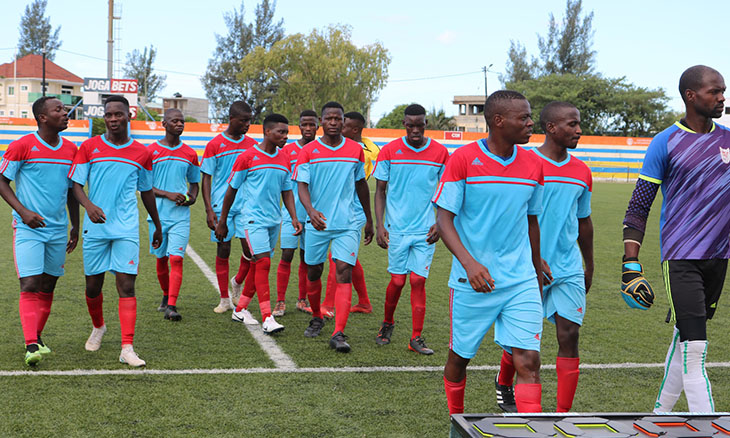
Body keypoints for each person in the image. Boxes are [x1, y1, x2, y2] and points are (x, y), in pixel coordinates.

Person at [622, 65, 729, 413]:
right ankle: (709, 428)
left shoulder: (728, 139)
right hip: (682, 258)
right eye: (715, 91)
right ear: (691, 95)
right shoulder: (664, 142)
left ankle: (658, 415)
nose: (722, 97)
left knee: (684, 338)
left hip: (719, 258)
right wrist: (630, 264)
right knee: (696, 350)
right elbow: (639, 206)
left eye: (723, 90)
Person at [435, 90, 544, 414]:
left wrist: (536, 273)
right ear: (499, 121)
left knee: (529, 361)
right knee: (459, 358)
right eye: (523, 117)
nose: (530, 122)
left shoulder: (534, 164)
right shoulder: (463, 159)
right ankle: (456, 420)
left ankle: (530, 433)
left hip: (520, 280)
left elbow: (532, 222)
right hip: (473, 282)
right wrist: (469, 265)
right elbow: (443, 219)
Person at [496, 101, 593, 413]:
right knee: (523, 338)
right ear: (551, 128)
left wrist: (589, 263)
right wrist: (533, 259)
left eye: (579, 124)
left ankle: (563, 415)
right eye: (571, 124)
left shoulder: (582, 172)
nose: (578, 130)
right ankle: (504, 381)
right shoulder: (522, 161)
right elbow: (509, 215)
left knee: (569, 334)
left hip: (567, 267)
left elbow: (584, 221)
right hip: (525, 266)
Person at [69, 95, 163, 367]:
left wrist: (157, 224)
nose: (112, 119)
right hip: (96, 228)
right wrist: (88, 206)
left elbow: (146, 191)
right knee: (92, 285)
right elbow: (76, 185)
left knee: (126, 285)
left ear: (128, 115)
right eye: (108, 115)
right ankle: (98, 327)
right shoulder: (89, 147)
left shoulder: (142, 153)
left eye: (118, 114)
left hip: (126, 228)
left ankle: (127, 347)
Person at [0, 96, 79, 366]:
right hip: (27, 228)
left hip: (57, 230)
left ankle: (38, 337)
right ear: (43, 117)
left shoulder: (71, 149)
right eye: (58, 109)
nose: (65, 112)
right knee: (30, 284)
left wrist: (75, 225)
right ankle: (31, 344)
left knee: (49, 284)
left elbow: (71, 191)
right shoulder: (22, 145)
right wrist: (23, 212)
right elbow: (2, 180)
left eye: (64, 108)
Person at [294, 101, 374, 353]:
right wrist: (310, 211)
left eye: (337, 119)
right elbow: (302, 185)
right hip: (317, 222)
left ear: (342, 121)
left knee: (343, 271)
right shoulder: (309, 151)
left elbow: (361, 184)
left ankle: (339, 332)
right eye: (328, 118)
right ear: (321, 121)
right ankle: (317, 315)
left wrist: (369, 220)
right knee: (314, 271)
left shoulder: (354, 150)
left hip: (347, 223)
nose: (333, 122)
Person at [372, 103, 449, 355]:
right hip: (396, 229)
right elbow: (380, 191)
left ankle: (416, 338)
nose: (415, 130)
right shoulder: (390, 151)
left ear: (426, 124)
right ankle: (387, 323)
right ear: (404, 124)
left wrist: (439, 222)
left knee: (417, 281)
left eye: (420, 125)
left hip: (426, 230)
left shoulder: (440, 152)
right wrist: (380, 225)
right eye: (410, 125)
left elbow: (446, 191)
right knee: (397, 280)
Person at [216, 114, 302, 334]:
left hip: (275, 220)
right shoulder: (248, 157)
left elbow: (287, 191)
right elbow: (231, 190)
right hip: (252, 220)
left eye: (286, 133)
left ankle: (241, 308)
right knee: (263, 263)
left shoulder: (284, 158)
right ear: (267, 132)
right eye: (280, 132)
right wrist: (223, 221)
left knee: (258, 266)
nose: (285, 136)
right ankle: (267, 317)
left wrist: (292, 216)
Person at [319, 110, 377, 316]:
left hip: (352, 208)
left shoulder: (362, 151)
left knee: (336, 257)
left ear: (354, 129)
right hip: (345, 206)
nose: (338, 127)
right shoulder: (369, 146)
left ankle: (327, 305)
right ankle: (364, 302)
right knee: (347, 258)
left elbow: (357, 179)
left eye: (343, 125)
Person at [200, 101, 257, 313]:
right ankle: (224, 299)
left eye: (249, 120)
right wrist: (208, 210)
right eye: (243, 120)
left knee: (250, 250)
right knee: (223, 248)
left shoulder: (252, 145)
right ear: (231, 119)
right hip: (220, 204)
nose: (247, 124)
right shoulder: (215, 144)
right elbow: (206, 177)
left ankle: (238, 280)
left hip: (246, 205)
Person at [147, 108, 200, 321]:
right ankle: (165, 294)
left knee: (176, 259)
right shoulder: (150, 151)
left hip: (180, 215)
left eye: (182, 121)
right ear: (164, 124)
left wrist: (192, 197)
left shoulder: (190, 153)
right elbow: (144, 186)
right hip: (157, 216)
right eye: (174, 121)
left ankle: (171, 305)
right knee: (161, 260)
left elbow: (194, 184)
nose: (179, 124)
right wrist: (167, 194)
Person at [275, 110, 319, 316]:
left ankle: (302, 300)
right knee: (287, 254)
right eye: (304, 125)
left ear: (317, 125)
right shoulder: (288, 150)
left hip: (313, 213)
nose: (308, 128)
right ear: (299, 126)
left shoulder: (322, 150)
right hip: (290, 211)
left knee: (307, 258)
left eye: (312, 124)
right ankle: (280, 301)